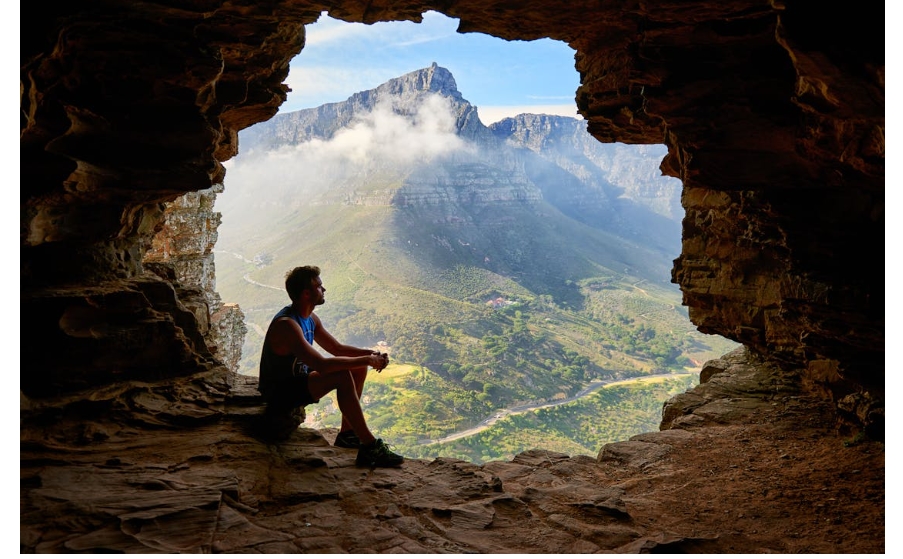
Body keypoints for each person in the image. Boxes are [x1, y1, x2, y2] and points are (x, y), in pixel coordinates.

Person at [257, 265, 404, 467]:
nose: (324, 289)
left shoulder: (309, 318)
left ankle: (348, 434)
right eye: (319, 286)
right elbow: (322, 365)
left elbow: (336, 348)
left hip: (297, 381)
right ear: (306, 294)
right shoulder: (287, 325)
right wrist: (368, 360)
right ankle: (370, 447)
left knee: (357, 368)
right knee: (342, 376)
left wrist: (370, 355)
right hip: (280, 392)